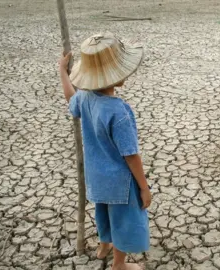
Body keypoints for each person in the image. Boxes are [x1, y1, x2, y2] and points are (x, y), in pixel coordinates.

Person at [58, 32, 151, 270]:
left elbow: (71, 99)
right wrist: (143, 187)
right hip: (120, 182)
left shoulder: (86, 98)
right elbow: (130, 154)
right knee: (121, 221)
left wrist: (62, 72)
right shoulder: (118, 112)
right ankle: (119, 264)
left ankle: (103, 246)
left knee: (103, 214)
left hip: (96, 177)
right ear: (118, 75)